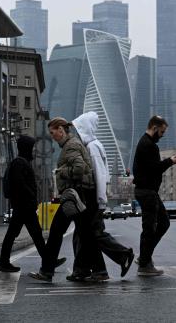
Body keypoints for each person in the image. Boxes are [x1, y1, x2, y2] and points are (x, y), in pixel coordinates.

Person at [29, 117, 97, 282]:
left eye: (53, 133)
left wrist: (61, 172)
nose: (53, 136)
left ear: (61, 130)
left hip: (73, 196)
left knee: (58, 232)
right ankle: (86, 269)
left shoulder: (71, 145)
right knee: (84, 233)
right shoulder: (71, 144)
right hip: (78, 195)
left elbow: (79, 168)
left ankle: (47, 271)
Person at [69, 112, 134, 282]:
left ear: (85, 128)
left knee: (93, 234)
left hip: (94, 200)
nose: (76, 133)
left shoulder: (92, 147)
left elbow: (99, 175)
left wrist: (101, 201)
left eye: (79, 129)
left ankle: (121, 256)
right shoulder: (91, 145)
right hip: (93, 199)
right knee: (85, 234)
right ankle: (88, 269)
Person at [0, 136, 65, 272]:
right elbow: (20, 184)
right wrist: (31, 196)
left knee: (33, 235)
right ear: (26, 148)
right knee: (28, 234)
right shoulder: (19, 163)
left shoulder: (22, 162)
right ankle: (5, 263)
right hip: (23, 206)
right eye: (32, 148)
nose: (34, 151)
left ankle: (48, 261)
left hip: (23, 206)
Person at [132, 116, 176, 276]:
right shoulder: (149, 145)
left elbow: (142, 168)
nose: (162, 135)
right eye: (161, 132)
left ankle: (144, 258)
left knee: (162, 223)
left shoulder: (144, 142)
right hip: (147, 192)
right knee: (150, 228)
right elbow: (155, 169)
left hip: (147, 191)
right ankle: (144, 264)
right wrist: (171, 161)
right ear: (154, 128)